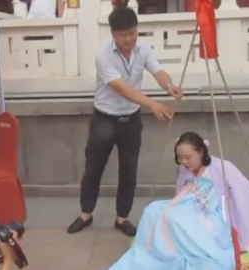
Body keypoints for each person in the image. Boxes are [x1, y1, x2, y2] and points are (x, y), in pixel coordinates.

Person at [67, 7, 182, 237]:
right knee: (93, 169)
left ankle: (122, 218)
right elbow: (122, 89)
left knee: (129, 171)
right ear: (113, 34)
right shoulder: (103, 56)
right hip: (104, 120)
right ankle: (85, 214)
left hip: (130, 121)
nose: (129, 39)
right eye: (123, 35)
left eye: (133, 33)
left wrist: (168, 85)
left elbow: (158, 71)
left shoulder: (144, 49)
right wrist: (153, 104)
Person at [107, 132, 249, 270]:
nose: (184, 162)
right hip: (188, 207)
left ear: (201, 152)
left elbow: (244, 194)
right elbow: (180, 195)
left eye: (188, 157)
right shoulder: (186, 170)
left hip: (211, 213)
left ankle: (177, 250)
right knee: (153, 209)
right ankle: (154, 251)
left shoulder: (222, 167)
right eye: (180, 158)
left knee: (172, 216)